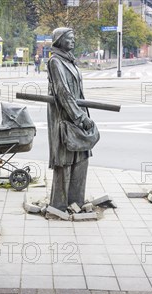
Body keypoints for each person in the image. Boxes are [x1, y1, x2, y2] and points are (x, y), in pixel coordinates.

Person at [46, 27, 98, 211]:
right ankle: (59, 205)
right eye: (69, 37)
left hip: (77, 116)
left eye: (74, 37)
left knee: (81, 157)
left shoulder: (69, 61)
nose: (73, 40)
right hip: (65, 118)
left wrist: (82, 115)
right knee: (65, 161)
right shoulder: (55, 62)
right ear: (59, 40)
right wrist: (80, 117)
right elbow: (63, 93)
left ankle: (76, 202)